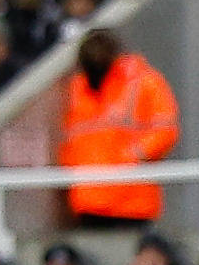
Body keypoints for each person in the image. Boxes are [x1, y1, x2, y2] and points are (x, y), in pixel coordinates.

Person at [59, 28, 180, 226]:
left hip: (131, 201)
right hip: (88, 200)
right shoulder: (77, 89)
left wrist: (133, 155)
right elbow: (70, 138)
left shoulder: (144, 82)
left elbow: (165, 129)